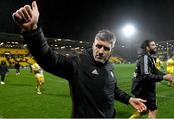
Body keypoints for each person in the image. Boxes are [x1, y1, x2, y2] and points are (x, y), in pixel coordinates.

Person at [12, 1, 147, 117]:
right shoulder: (78, 62)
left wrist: (129, 99)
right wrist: (32, 32)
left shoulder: (109, 67)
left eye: (106, 48)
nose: (101, 51)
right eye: (98, 46)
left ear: (111, 51)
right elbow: (48, 59)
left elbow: (113, 89)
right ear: (93, 45)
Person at [130, 40, 173, 119]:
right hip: (143, 88)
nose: (155, 46)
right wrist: (163, 77)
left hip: (144, 87)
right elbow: (146, 75)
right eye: (153, 45)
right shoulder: (145, 57)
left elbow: (154, 70)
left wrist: (165, 75)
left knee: (144, 110)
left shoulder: (149, 57)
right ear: (147, 47)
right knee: (153, 111)